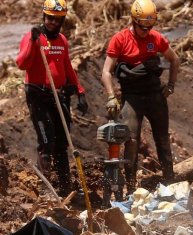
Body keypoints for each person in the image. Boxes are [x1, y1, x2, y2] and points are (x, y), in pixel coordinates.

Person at [101, 0, 180, 193]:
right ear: (134, 21)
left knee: (162, 138)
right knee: (132, 140)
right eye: (143, 27)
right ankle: (131, 186)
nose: (146, 31)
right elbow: (106, 71)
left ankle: (169, 180)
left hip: (154, 94)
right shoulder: (120, 39)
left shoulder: (156, 38)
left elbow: (174, 59)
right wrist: (111, 96)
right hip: (132, 97)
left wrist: (170, 85)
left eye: (150, 27)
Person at [16, 0, 88, 197]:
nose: (51, 22)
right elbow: (21, 63)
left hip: (58, 95)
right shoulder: (34, 38)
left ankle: (65, 189)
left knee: (62, 144)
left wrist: (80, 91)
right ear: (43, 16)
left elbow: (67, 67)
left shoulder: (62, 40)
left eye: (56, 19)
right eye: (48, 18)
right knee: (46, 141)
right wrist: (32, 41)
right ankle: (45, 192)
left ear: (62, 20)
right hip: (38, 95)